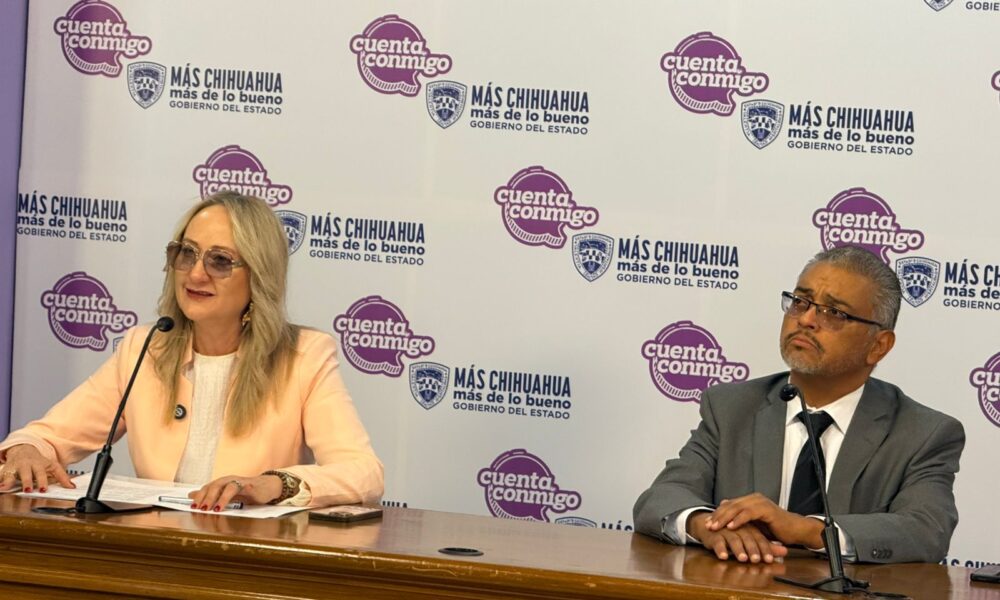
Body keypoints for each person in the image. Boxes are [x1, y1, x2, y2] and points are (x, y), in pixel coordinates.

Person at [0, 192, 384, 510]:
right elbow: (46, 437)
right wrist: (24, 451)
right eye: (187, 253)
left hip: (249, 558)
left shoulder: (303, 356)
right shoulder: (146, 348)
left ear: (259, 275)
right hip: (156, 552)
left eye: (220, 261)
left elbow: (362, 472)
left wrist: (273, 484)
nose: (196, 274)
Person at [633, 245, 964, 564]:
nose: (806, 319)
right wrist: (706, 524)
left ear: (878, 346)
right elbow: (662, 497)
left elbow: (926, 530)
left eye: (833, 312)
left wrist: (805, 530)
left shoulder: (923, 433)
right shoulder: (732, 408)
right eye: (800, 302)